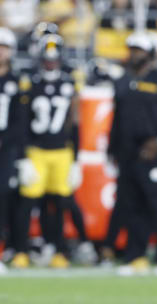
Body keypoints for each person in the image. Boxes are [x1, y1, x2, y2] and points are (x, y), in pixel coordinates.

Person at [108, 32, 157, 275]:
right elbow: (117, 119)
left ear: (150, 54)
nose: (134, 54)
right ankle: (134, 256)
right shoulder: (123, 80)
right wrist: (111, 149)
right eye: (132, 49)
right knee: (131, 205)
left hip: (154, 154)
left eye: (139, 50)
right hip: (128, 154)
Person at [12, 33, 81, 269]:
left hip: (62, 151)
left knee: (60, 203)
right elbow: (21, 122)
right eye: (47, 57)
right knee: (27, 203)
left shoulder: (70, 82)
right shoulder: (29, 82)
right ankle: (20, 249)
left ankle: (59, 250)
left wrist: (76, 159)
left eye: (54, 57)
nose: (51, 61)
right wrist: (22, 158)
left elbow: (75, 122)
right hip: (37, 151)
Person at [0, 27, 26, 270]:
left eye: (3, 47)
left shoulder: (17, 82)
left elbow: (21, 120)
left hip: (7, 149)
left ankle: (5, 249)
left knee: (6, 199)